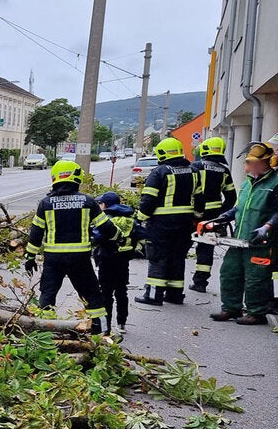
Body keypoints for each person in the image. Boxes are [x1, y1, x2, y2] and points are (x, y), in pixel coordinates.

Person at [24, 160, 116, 334]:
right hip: (79, 259)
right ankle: (102, 332)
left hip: (53, 260)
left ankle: (45, 334)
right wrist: (119, 238)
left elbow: (36, 234)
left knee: (47, 295)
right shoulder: (88, 201)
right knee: (92, 296)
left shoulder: (46, 203)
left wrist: (30, 257)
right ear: (77, 177)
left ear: (55, 177)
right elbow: (107, 229)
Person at [205, 141, 278, 324]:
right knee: (229, 272)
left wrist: (268, 227)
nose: (246, 166)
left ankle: (257, 312)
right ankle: (230, 308)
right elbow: (238, 208)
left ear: (264, 163)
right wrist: (220, 218)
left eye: (250, 162)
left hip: (261, 241)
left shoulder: (275, 183)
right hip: (240, 239)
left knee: (256, 277)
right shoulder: (247, 183)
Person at [134, 137, 204, 306]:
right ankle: (175, 294)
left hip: (161, 224)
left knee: (158, 257)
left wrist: (139, 219)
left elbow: (148, 201)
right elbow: (200, 199)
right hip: (184, 224)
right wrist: (197, 217)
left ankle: (153, 295)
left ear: (162, 154)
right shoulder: (194, 171)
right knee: (178, 257)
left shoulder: (159, 172)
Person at [189, 136, 236, 292]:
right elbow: (231, 197)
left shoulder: (195, 166)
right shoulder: (223, 170)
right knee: (206, 248)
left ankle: (170, 281)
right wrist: (222, 215)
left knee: (181, 245)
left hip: (193, 214)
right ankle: (200, 283)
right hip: (213, 216)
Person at [92, 191, 137, 334]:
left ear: (105, 204)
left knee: (106, 294)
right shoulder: (129, 218)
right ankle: (122, 323)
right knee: (121, 291)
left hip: (107, 259)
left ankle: (106, 327)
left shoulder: (106, 219)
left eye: (101, 203)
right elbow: (140, 234)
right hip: (123, 260)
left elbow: (97, 236)